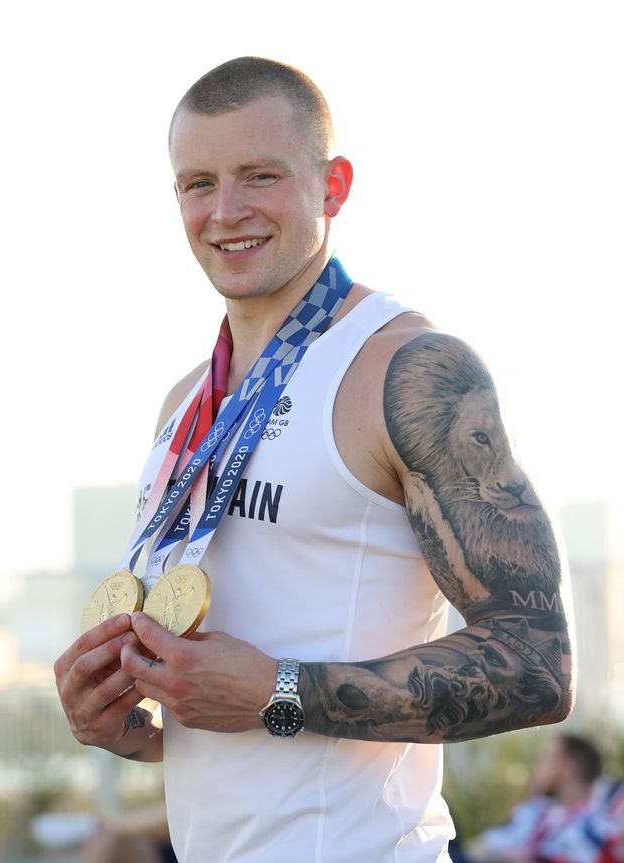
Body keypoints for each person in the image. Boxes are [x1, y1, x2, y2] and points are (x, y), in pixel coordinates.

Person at [54, 57, 575, 863]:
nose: (225, 212)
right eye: (197, 183)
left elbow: (538, 660)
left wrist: (276, 692)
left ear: (333, 186)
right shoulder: (185, 407)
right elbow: (238, 723)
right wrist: (128, 723)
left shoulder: (407, 370)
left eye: (259, 175)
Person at [465, 734, 624, 863]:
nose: (538, 767)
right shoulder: (536, 809)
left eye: (546, 759)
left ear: (568, 767)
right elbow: (483, 846)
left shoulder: (606, 812)